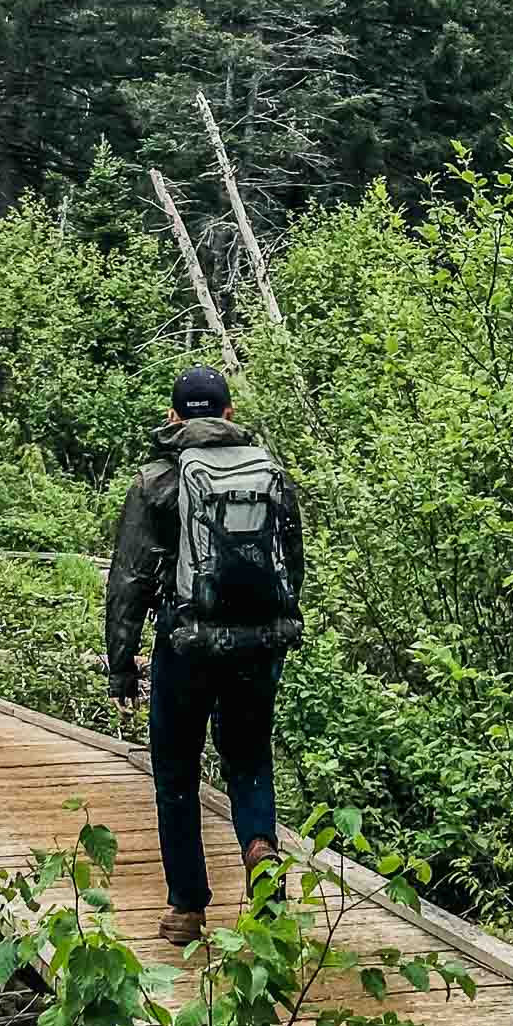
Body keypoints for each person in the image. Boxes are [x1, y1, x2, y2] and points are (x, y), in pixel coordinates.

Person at [105, 366, 304, 945]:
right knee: (248, 759)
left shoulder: (156, 482)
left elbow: (130, 580)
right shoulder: (271, 475)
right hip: (259, 644)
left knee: (176, 771)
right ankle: (260, 855)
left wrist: (122, 662)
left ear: (173, 417)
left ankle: (188, 907)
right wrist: (270, 631)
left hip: (185, 643)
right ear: (228, 414)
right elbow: (291, 563)